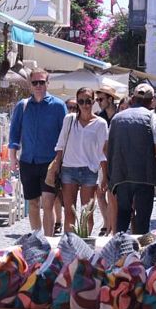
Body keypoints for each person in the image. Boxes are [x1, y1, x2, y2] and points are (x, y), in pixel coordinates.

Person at [9, 69, 67, 236]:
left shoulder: (58, 106)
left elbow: (64, 136)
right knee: (33, 203)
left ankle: (48, 243)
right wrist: (13, 157)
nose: (39, 86)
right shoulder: (23, 106)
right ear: (30, 85)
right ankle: (37, 238)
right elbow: (14, 133)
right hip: (28, 162)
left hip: (50, 163)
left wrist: (59, 162)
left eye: (42, 82)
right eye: (35, 82)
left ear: (47, 84)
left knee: (48, 203)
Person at [107, 84, 156, 234]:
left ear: (133, 98)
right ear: (151, 101)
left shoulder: (116, 118)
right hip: (144, 175)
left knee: (122, 215)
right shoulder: (152, 117)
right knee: (142, 219)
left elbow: (109, 147)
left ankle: (121, 250)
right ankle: (141, 252)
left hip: (121, 175)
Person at [51, 87, 108, 235]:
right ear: (77, 103)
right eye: (81, 101)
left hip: (89, 170)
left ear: (93, 101)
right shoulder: (69, 120)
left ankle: (85, 244)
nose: (85, 105)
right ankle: (69, 244)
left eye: (88, 101)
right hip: (69, 169)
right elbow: (60, 145)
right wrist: (55, 167)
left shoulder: (100, 123)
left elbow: (103, 152)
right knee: (70, 212)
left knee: (86, 213)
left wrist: (105, 177)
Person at [94, 85, 120, 235]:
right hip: (101, 160)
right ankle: (107, 222)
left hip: (117, 160)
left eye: (101, 99)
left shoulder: (120, 116)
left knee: (113, 194)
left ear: (110, 99)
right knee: (100, 193)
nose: (98, 102)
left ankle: (112, 225)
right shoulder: (99, 116)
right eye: (97, 99)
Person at [53, 98, 79, 235]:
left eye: (75, 107)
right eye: (69, 107)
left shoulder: (79, 124)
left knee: (70, 201)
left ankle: (73, 230)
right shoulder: (62, 122)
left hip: (75, 166)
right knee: (57, 195)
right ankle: (58, 221)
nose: (72, 110)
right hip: (61, 163)